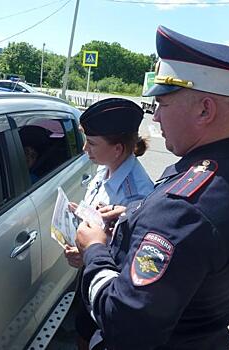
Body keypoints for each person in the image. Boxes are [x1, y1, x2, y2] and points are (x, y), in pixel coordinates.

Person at [76, 26, 229, 350]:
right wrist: (133, 216)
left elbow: (125, 323)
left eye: (162, 104)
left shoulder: (183, 208)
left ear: (205, 109)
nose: (156, 119)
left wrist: (94, 249)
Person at [63, 98, 154, 349]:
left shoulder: (136, 194)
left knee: (91, 332)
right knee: (82, 323)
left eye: (92, 143)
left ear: (118, 149)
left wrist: (86, 255)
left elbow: (131, 260)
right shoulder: (106, 167)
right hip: (91, 272)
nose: (85, 149)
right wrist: (80, 212)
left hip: (108, 284)